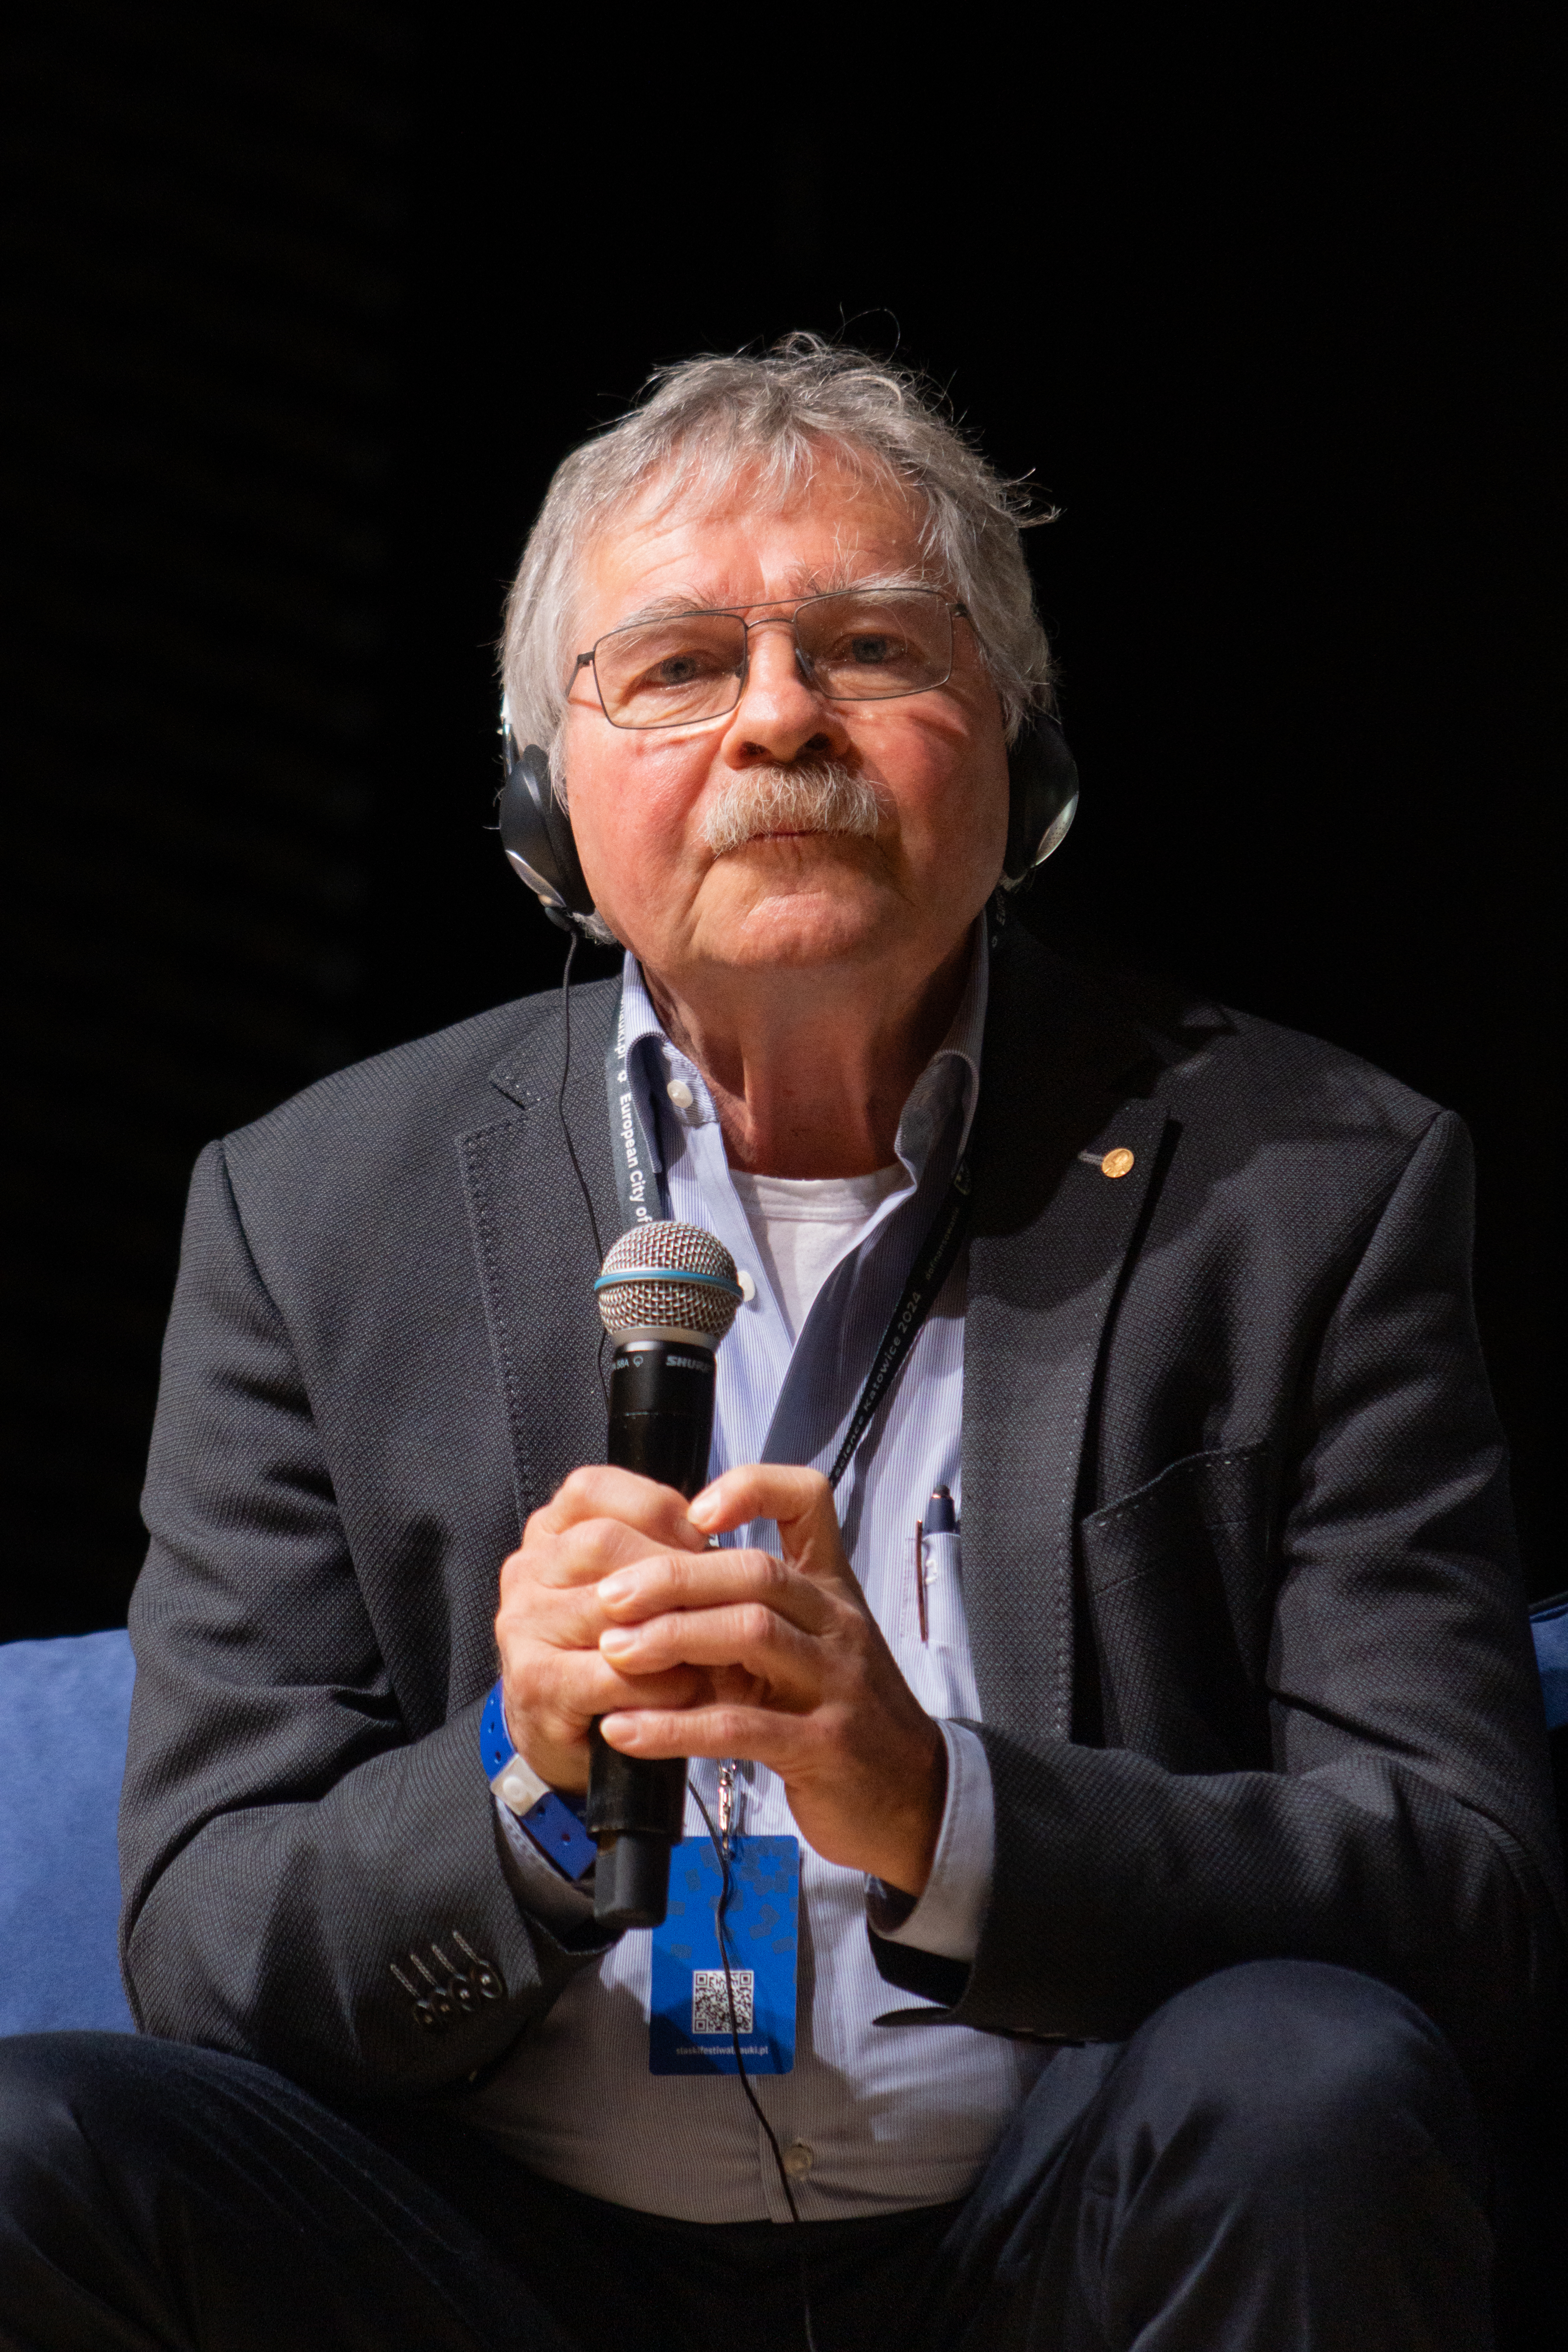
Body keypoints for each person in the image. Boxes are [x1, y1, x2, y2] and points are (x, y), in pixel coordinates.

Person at [0, 335, 1560, 2352]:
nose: (777, 724)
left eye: (872, 652)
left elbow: (1466, 1902)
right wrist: (524, 1776)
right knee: (36, 2153)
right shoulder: (313, 1212)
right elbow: (214, 1938)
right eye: (676, 668)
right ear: (539, 796)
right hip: (495, 2266)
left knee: (1312, 2087)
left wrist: (944, 1807)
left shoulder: (1314, 1192)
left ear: (1030, 757)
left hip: (1061, 2238)